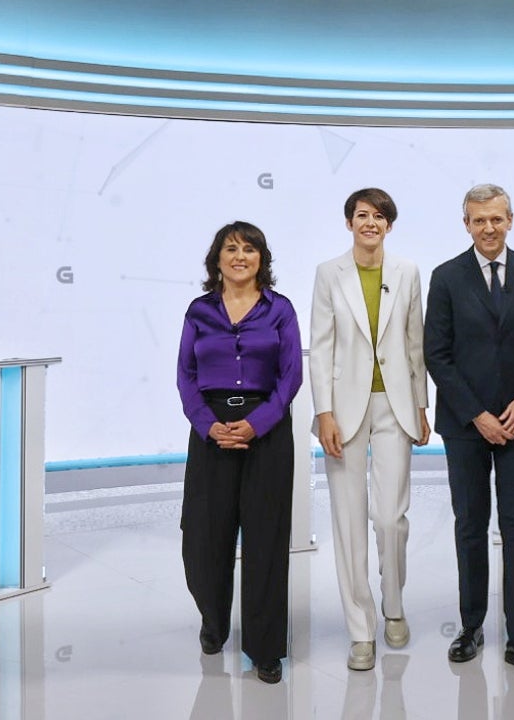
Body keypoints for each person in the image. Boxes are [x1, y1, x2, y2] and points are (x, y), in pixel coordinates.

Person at [423, 184, 514, 670]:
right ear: (466, 224)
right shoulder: (445, 277)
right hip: (466, 425)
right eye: (479, 220)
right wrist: (476, 414)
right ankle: (471, 626)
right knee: (470, 525)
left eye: (496, 219)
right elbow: (436, 355)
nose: (488, 228)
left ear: (510, 219)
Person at [309, 187, 430, 672]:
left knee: (389, 518)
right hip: (344, 409)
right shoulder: (328, 274)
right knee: (349, 522)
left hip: (395, 407)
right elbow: (321, 347)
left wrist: (422, 406)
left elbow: (414, 344)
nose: (371, 223)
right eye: (363, 215)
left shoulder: (407, 272)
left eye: (379, 216)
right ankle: (361, 630)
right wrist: (323, 413)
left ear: (389, 225)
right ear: (349, 222)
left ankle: (393, 602)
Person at [177, 220, 303, 685]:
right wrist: (210, 427)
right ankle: (213, 621)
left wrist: (257, 423)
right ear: (217, 260)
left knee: (266, 540)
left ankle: (265, 650)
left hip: (265, 430)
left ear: (261, 259)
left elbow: (290, 376)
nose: (240, 256)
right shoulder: (199, 311)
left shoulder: (280, 310)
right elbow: (186, 376)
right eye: (231, 249)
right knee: (203, 538)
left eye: (249, 249)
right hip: (211, 430)